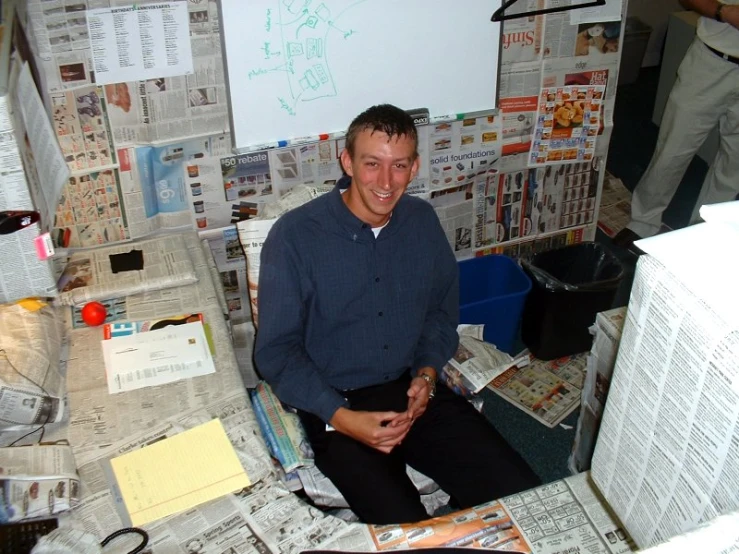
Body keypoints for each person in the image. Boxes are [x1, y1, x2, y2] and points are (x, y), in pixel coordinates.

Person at [255, 104, 539, 524]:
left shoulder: (422, 221)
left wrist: (426, 374)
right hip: (336, 404)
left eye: (399, 166)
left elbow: (441, 314)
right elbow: (276, 351)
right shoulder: (294, 237)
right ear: (347, 160)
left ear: (414, 166)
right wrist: (341, 417)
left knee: (523, 498)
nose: (386, 182)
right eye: (372, 164)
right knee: (404, 530)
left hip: (414, 391)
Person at [613, 0, 739, 251]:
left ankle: (705, 228)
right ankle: (643, 222)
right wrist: (723, 12)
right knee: (673, 147)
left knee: (734, 163)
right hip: (712, 61)